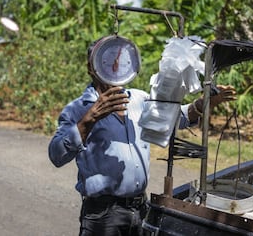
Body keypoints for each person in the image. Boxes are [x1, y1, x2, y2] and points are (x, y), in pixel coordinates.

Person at [48, 38, 237, 236]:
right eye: (107, 60)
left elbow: (175, 117)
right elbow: (56, 155)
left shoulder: (138, 99)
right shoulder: (78, 109)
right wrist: (89, 120)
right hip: (103, 215)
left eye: (119, 61)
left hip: (140, 208)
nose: (114, 66)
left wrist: (203, 103)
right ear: (91, 67)